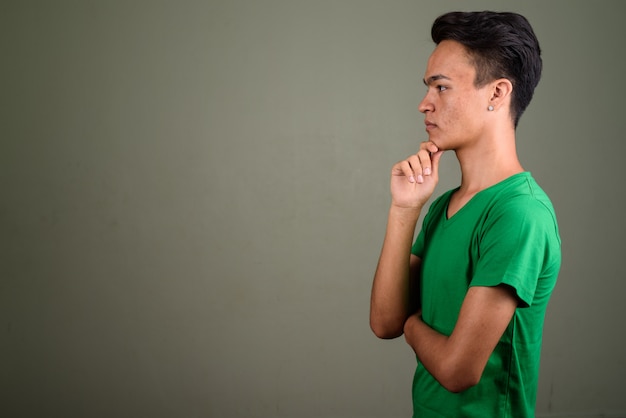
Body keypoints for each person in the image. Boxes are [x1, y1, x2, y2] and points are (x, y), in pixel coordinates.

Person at [369, 11, 561, 418]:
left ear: (497, 94)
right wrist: (405, 208)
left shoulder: (519, 213)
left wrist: (413, 325)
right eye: (428, 88)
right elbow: (385, 320)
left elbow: (458, 370)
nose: (424, 104)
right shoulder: (444, 206)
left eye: (441, 87)